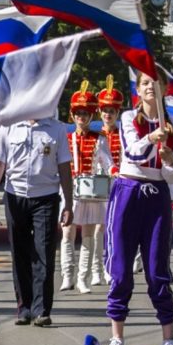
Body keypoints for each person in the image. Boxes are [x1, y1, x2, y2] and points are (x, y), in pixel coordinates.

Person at [102, 72, 173, 345]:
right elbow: (132, 152)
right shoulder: (128, 118)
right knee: (122, 270)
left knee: (157, 269)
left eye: (156, 82)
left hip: (157, 195)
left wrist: (169, 159)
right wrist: (151, 137)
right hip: (127, 191)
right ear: (138, 89)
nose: (151, 87)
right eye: (145, 83)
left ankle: (168, 338)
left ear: (164, 88)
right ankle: (116, 338)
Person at [0, 113, 72, 327]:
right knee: (20, 253)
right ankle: (24, 308)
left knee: (44, 253)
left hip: (46, 197)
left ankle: (41, 310)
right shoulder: (9, 126)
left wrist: (68, 203)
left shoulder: (57, 129)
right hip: (16, 195)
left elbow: (64, 169)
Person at [59, 80, 110, 295]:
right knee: (67, 231)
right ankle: (67, 275)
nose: (81, 117)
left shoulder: (99, 139)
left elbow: (107, 162)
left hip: (90, 189)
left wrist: (111, 171)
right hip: (70, 189)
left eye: (86, 114)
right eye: (78, 113)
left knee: (88, 232)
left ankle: (83, 278)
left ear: (92, 116)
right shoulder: (65, 137)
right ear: (72, 116)